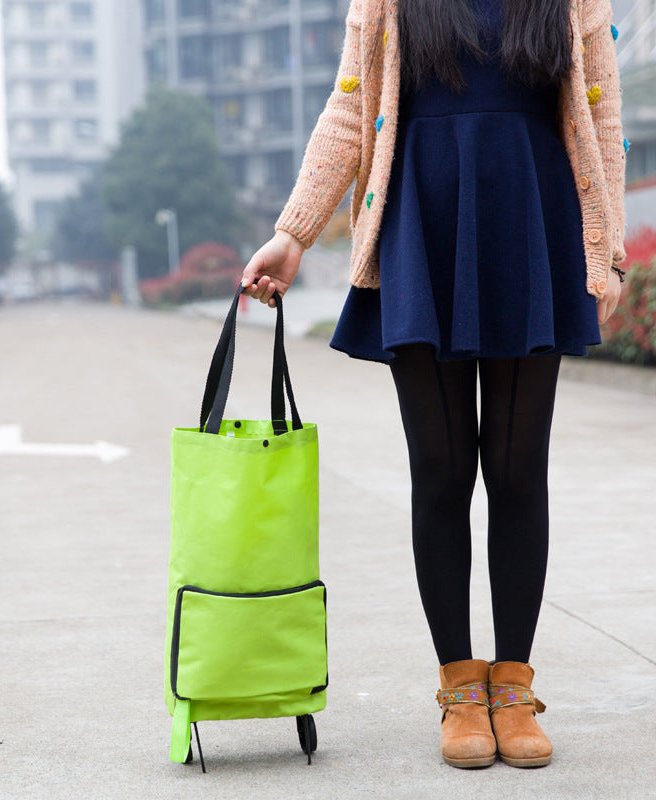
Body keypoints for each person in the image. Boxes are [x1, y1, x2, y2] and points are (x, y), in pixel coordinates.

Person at [240, 0, 626, 770]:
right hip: (423, 216)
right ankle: (459, 686)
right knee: (442, 472)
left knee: (518, 471)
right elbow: (352, 106)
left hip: (533, 215)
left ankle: (512, 684)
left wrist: (607, 246)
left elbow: (601, 113)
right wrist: (294, 231)